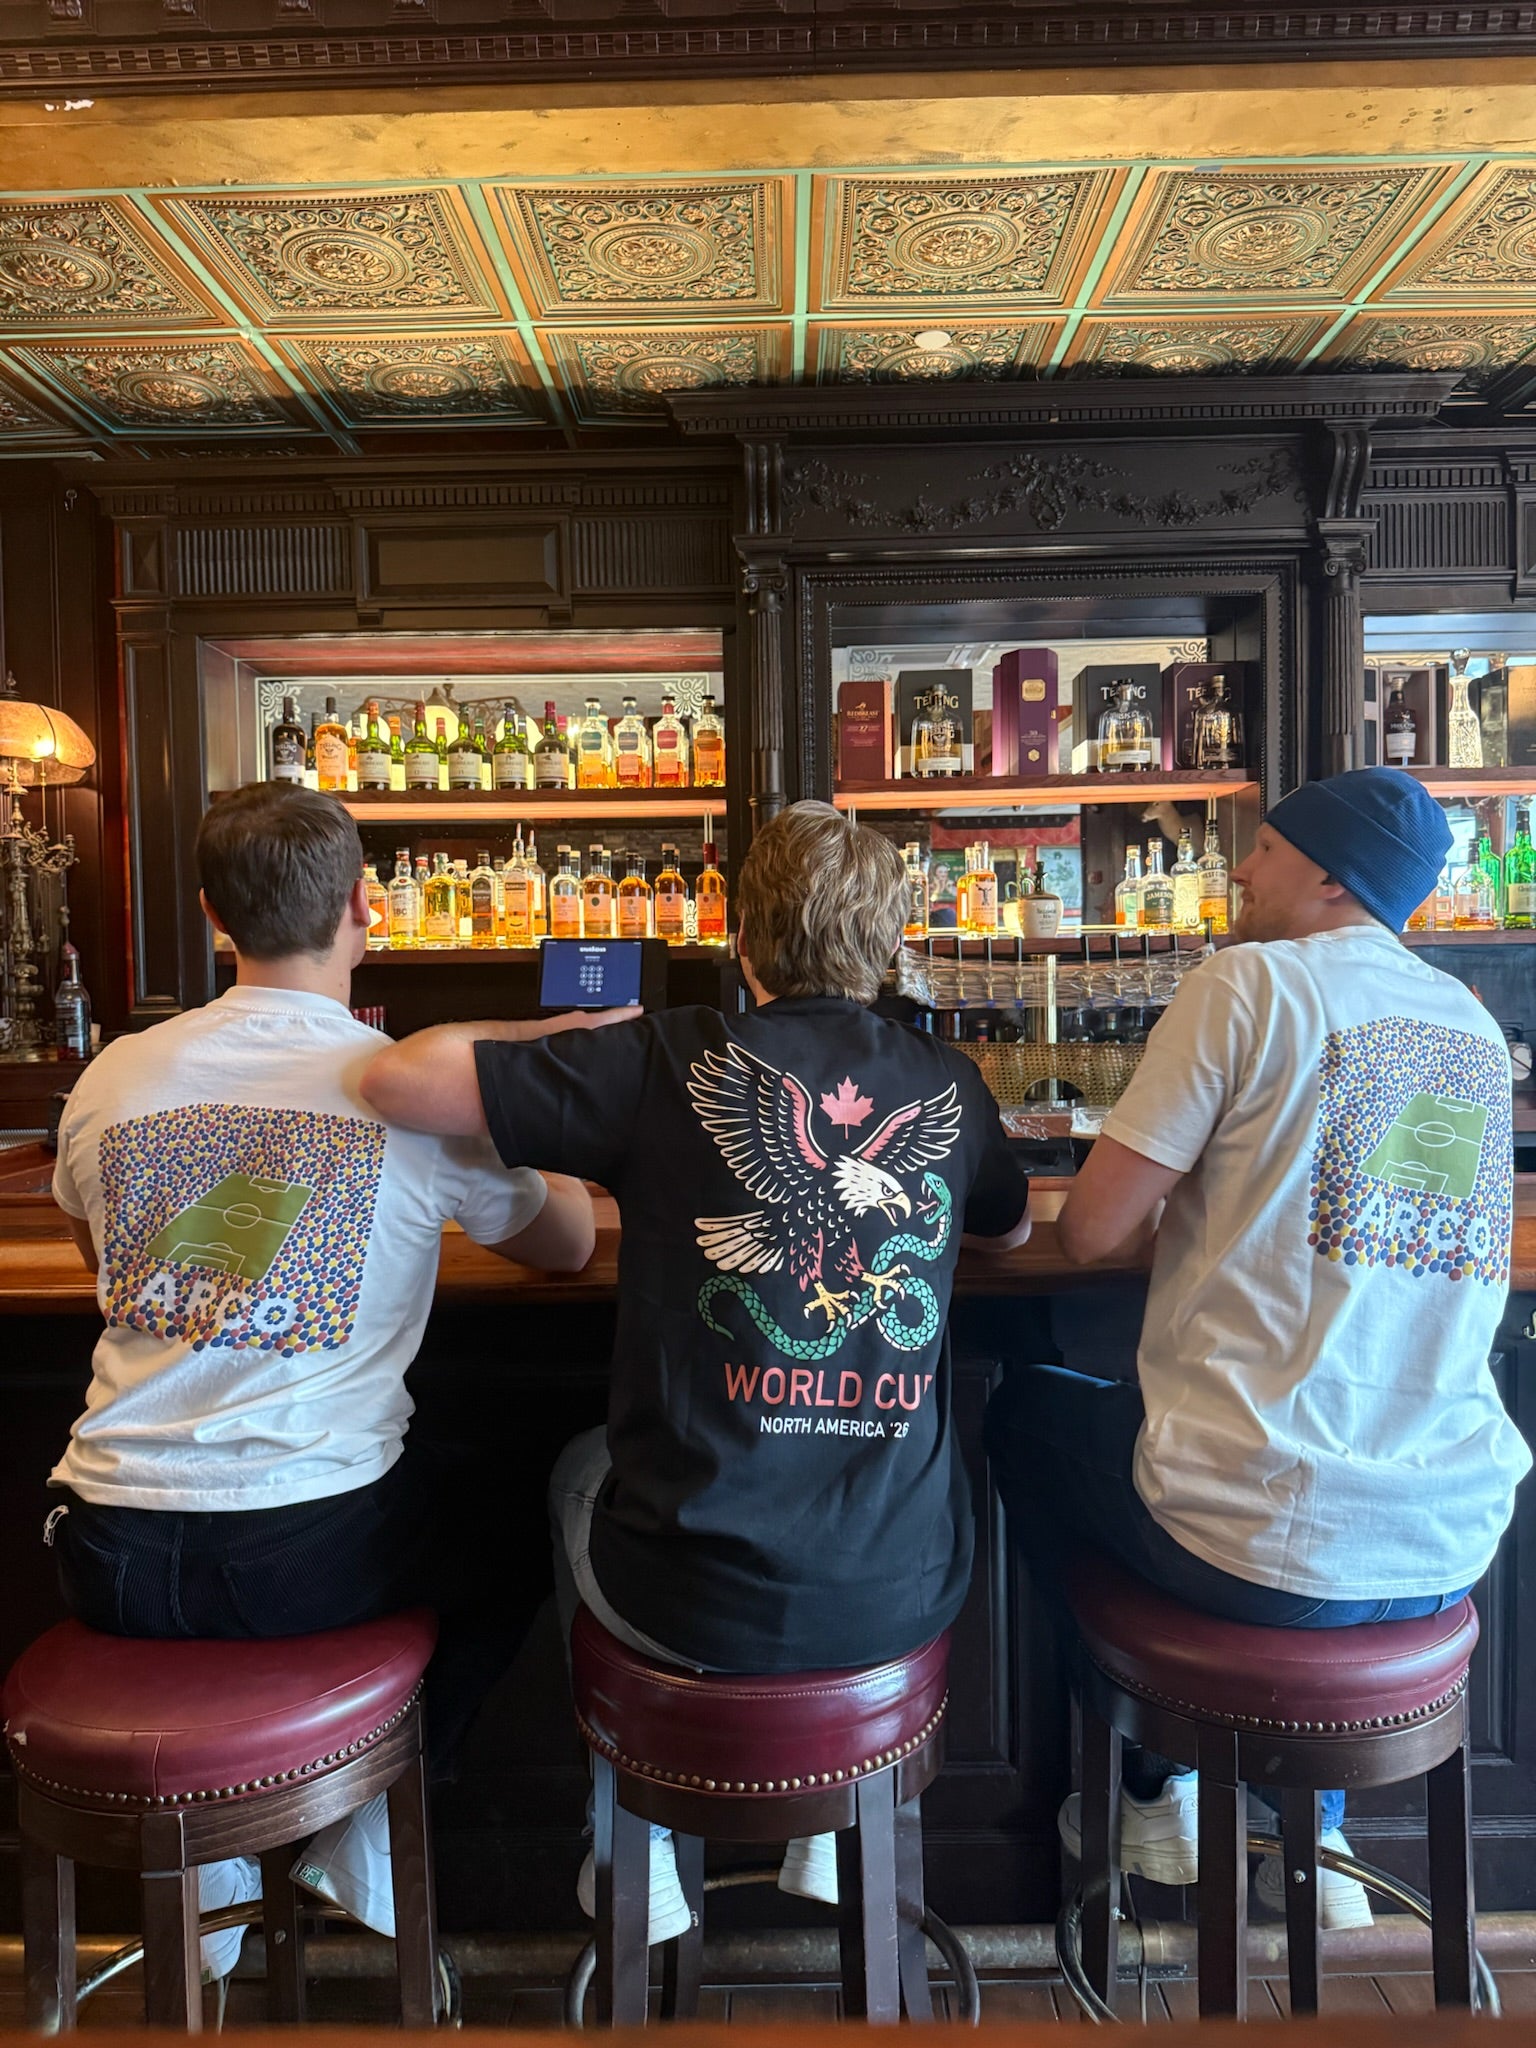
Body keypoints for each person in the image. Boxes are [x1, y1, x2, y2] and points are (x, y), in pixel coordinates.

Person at [360, 799, 1032, 1940]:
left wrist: (582, 1029)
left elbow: (398, 1079)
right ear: (888, 944)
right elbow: (1008, 1231)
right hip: (897, 1598)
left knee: (572, 1468)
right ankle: (832, 1811)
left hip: (691, 1603)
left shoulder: (670, 1054)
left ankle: (636, 1834)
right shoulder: (946, 1080)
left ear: (742, 937)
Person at [47, 782, 599, 1977]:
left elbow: (105, 1262)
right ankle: (361, 1834)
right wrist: (528, 1117)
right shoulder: (408, 1089)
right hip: (307, 1557)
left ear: (212, 915)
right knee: (516, 1520)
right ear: (364, 906)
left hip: (108, 1552)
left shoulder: (114, 1076)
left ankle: (213, 1847)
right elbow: (565, 1245)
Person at [986, 768, 1530, 1930]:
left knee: (1025, 1414)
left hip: (1256, 1536)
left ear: (1332, 875)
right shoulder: (1473, 1030)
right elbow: (1380, 1225)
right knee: (1311, 1501)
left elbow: (1091, 1231)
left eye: (1267, 847)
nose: (1238, 868)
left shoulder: (1246, 984)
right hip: (1445, 1539)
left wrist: (1203, 1206)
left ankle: (1148, 1785)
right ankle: (1312, 1827)